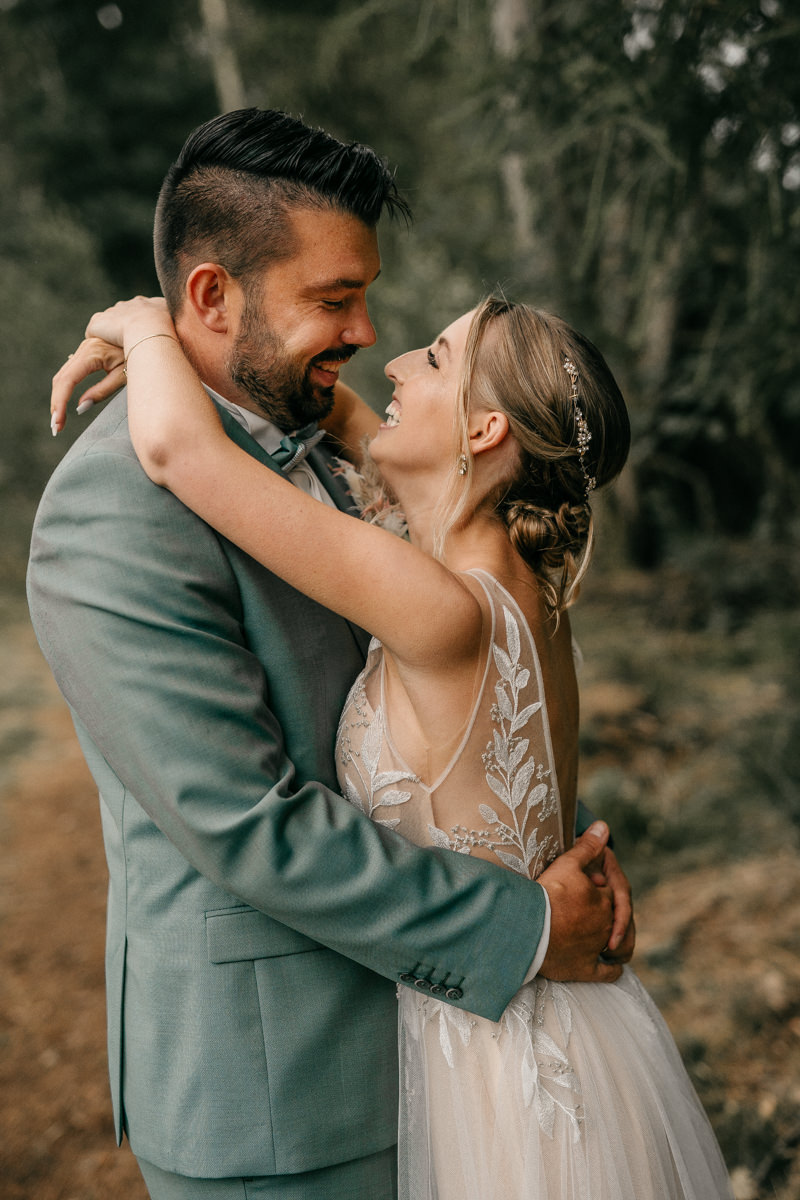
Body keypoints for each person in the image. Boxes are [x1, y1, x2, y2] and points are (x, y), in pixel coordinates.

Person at [30, 108, 634, 1200]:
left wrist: (144, 326)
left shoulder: (327, 450)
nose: (365, 333)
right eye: (333, 300)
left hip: (436, 1046)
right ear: (212, 296)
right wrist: (529, 922)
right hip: (280, 1094)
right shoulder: (115, 509)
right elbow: (247, 825)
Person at [56, 291, 734, 1200]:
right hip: (565, 1025)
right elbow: (349, 418)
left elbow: (184, 453)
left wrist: (142, 323)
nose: (396, 362)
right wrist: (225, 342)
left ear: (487, 427)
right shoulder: (515, 586)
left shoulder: (436, 604)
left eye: (436, 360)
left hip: (492, 1056)